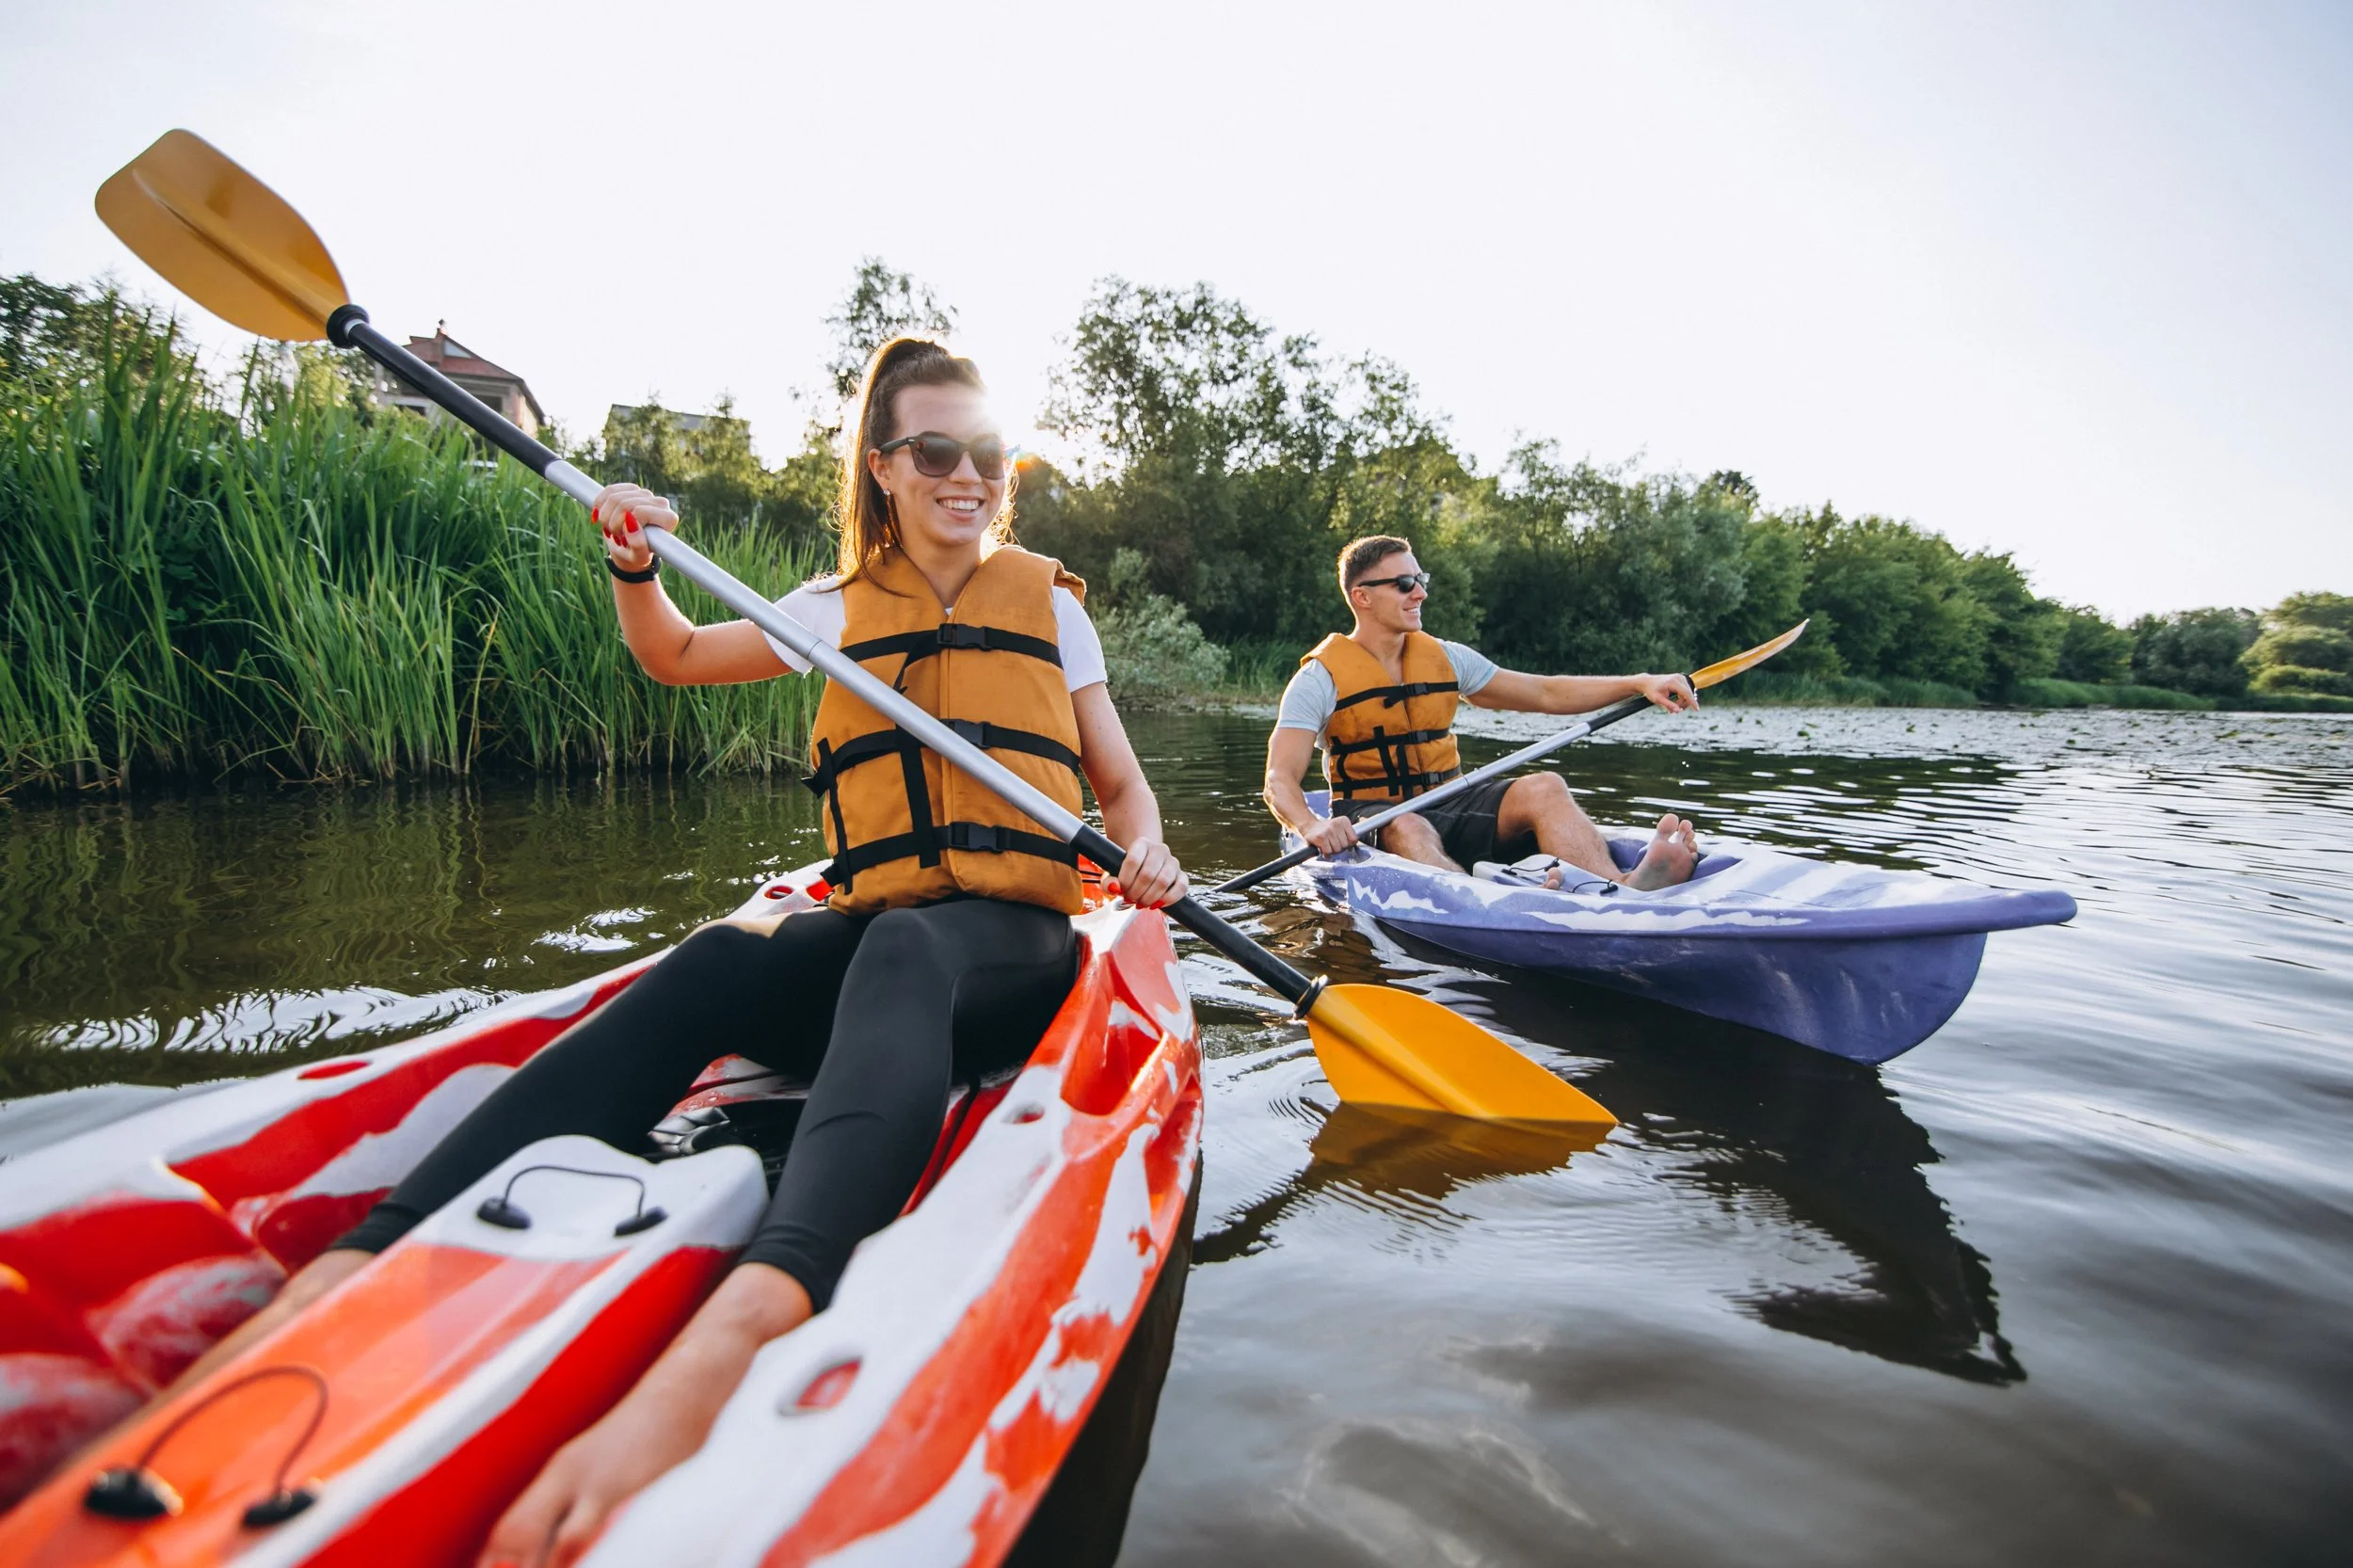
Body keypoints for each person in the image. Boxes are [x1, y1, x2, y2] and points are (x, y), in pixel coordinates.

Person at [152, 339, 1190, 1567]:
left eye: (985, 452)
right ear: (886, 465)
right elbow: (675, 653)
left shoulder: (1052, 606)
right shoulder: (828, 607)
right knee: (718, 956)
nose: (965, 474)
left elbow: (1120, 787)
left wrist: (1151, 855)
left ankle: (745, 1321)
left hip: (1005, 951)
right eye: (934, 451)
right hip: (881, 931)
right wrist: (629, 561)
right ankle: (360, 1256)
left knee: (908, 945)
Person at [1263, 534, 1702, 890]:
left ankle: (1619, 888)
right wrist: (1308, 824)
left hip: (1452, 802)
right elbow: (1278, 780)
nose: (1420, 592)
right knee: (1408, 826)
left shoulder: (1448, 658)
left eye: (1421, 578)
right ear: (1362, 597)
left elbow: (1545, 693)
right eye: (1403, 584)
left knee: (1545, 786)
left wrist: (1639, 682)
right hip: (1376, 817)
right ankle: (1495, 901)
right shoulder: (1320, 678)